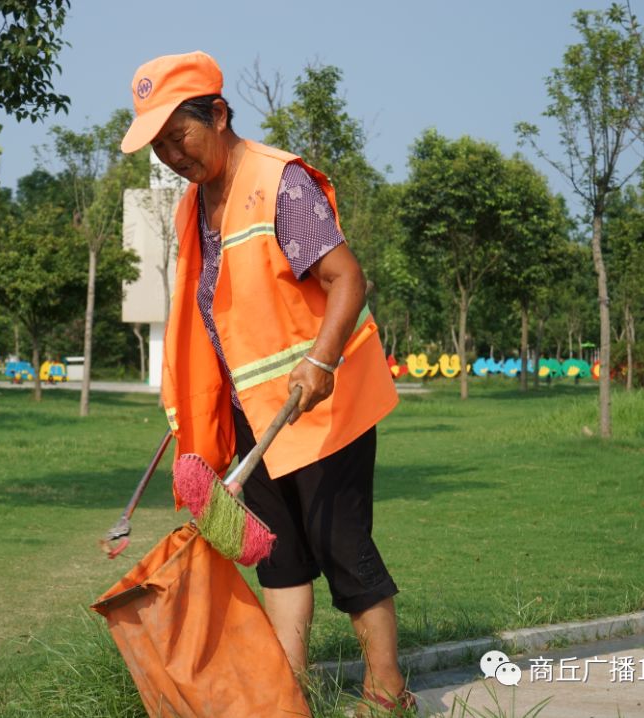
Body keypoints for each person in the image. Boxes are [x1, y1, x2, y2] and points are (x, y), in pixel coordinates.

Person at [120, 51, 414, 715]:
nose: (172, 155)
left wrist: (321, 361)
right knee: (279, 557)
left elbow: (347, 279)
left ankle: (387, 690)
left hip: (322, 401)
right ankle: (289, 695)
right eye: (160, 146)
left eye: (180, 137)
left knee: (342, 546)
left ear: (218, 114)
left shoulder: (280, 184)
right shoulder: (193, 206)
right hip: (259, 411)